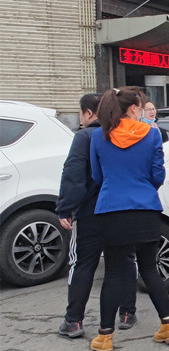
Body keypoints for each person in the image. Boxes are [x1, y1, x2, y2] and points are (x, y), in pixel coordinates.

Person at [89, 86, 169, 351]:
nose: (141, 111)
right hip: (146, 207)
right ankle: (168, 326)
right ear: (132, 108)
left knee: (115, 273)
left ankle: (105, 336)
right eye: (140, 106)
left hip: (112, 209)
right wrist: (143, 189)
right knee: (150, 269)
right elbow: (157, 175)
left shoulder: (99, 135)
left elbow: (97, 176)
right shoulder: (152, 134)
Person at [56, 93, 137, 338]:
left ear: (89, 113)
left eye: (81, 114)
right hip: (122, 210)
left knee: (82, 264)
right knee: (123, 261)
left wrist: (65, 207)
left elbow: (74, 174)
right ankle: (127, 313)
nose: (81, 119)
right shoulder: (126, 134)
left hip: (90, 212)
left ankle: (74, 321)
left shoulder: (84, 137)